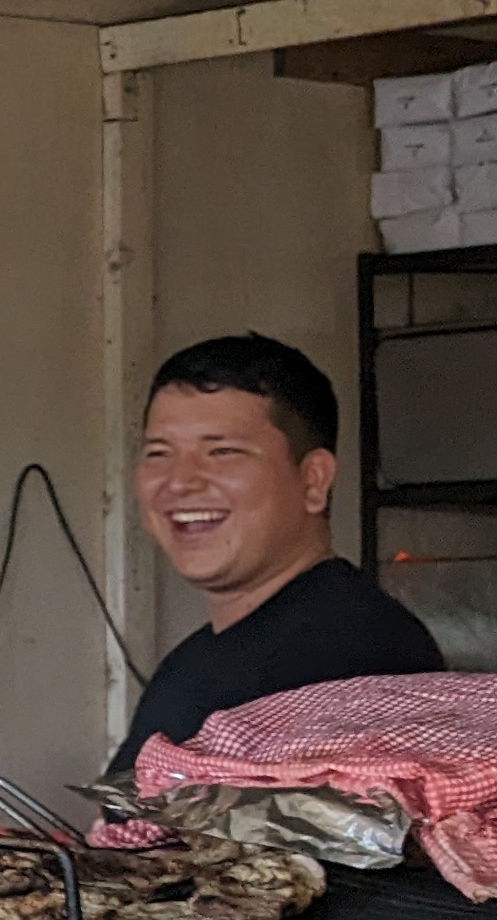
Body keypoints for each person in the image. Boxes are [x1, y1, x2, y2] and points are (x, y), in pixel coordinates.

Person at [116, 331, 440, 774]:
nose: (180, 482)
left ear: (313, 481)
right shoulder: (193, 662)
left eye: (223, 452)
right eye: (158, 453)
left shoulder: (357, 660)